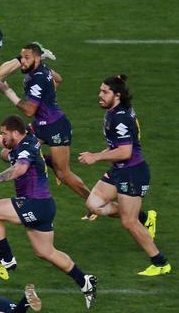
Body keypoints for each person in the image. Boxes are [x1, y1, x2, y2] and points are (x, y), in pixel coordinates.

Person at [0, 115, 98, 309]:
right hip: (45, 206)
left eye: (4, 134)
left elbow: (19, 170)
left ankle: (6, 259)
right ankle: (85, 281)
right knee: (45, 251)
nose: (2, 138)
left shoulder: (26, 148)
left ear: (15, 133)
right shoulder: (22, 140)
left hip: (34, 203)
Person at [79, 75, 171, 276]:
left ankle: (160, 262)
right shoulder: (114, 111)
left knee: (128, 222)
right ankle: (145, 217)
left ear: (117, 95)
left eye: (105, 92)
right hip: (119, 169)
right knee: (94, 203)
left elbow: (125, 151)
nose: (100, 95)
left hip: (131, 172)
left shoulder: (119, 117)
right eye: (100, 90)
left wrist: (96, 157)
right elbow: (117, 147)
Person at [0, 43, 96, 220]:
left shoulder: (38, 77)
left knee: (63, 174)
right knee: (6, 153)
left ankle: (94, 203)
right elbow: (58, 79)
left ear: (37, 58)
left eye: (26, 58)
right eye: (22, 58)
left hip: (55, 126)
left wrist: (8, 91)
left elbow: (29, 111)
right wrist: (49, 96)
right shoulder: (41, 70)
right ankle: (43, 160)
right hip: (41, 125)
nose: (23, 62)